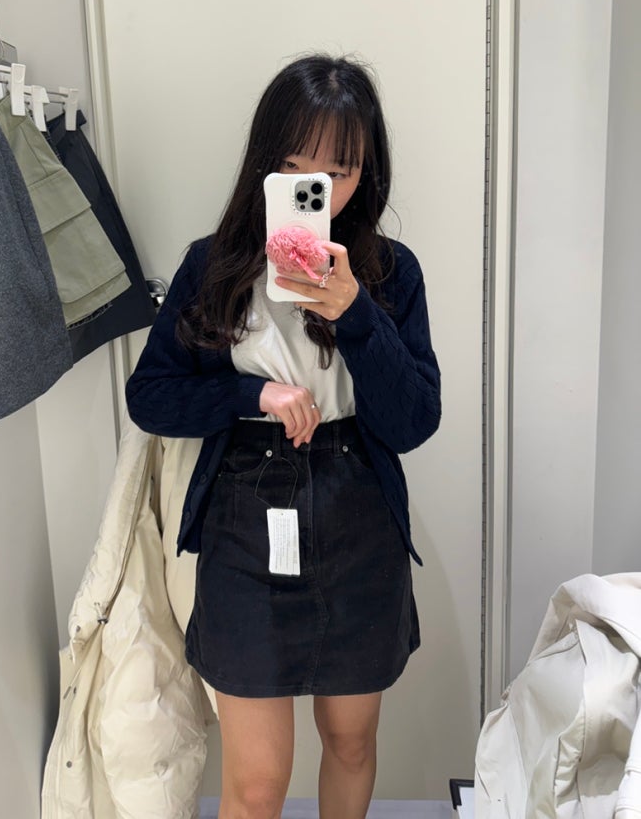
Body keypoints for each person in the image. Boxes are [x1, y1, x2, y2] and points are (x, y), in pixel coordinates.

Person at [126, 54, 441, 819]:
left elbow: (412, 421)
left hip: (357, 507)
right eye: (294, 167)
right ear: (264, 163)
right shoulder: (213, 267)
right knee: (258, 781)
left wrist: (355, 312)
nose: (315, 187)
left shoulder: (388, 274)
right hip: (246, 513)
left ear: (365, 171)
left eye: (338, 171)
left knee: (351, 742)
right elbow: (150, 397)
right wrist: (251, 393)